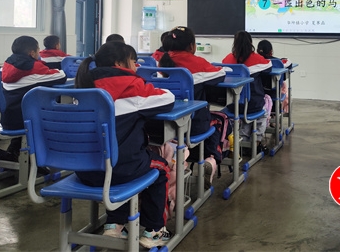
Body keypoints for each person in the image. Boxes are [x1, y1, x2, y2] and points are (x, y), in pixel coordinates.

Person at [74, 41, 174, 248]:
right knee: (160, 168)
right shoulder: (131, 86)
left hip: (84, 170)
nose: (136, 66)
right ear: (119, 63)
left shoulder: (83, 84)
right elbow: (167, 99)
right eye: (133, 61)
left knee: (119, 164)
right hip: (120, 170)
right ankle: (154, 230)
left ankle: (114, 225)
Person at [159, 26, 226, 187]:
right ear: (191, 46)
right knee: (220, 120)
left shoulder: (158, 61)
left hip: (162, 127)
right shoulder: (197, 63)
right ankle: (211, 158)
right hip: (192, 126)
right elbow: (220, 74)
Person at [1, 36, 67, 157]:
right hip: (25, 121)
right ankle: (48, 155)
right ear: (32, 53)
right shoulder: (33, 67)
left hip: (7, 119)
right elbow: (61, 76)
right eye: (38, 50)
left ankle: (14, 150)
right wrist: (59, 70)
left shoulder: (8, 64)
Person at [222, 31, 272, 153]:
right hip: (253, 104)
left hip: (232, 105)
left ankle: (239, 140)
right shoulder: (257, 59)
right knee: (264, 111)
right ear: (250, 43)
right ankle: (256, 142)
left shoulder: (227, 59)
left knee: (242, 114)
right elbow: (269, 67)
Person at [256, 39, 291, 114]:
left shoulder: (255, 62)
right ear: (271, 51)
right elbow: (288, 63)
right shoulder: (278, 62)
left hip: (258, 92)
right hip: (274, 93)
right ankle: (276, 114)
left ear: (257, 51)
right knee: (282, 85)